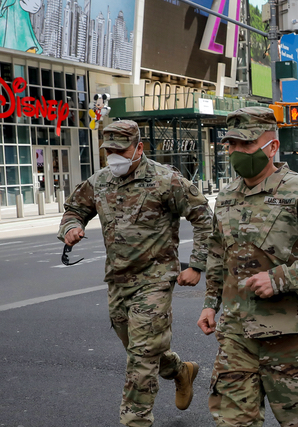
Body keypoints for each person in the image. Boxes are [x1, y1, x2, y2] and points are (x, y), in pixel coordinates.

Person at [197, 107, 298, 427]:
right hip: (236, 337)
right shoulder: (225, 198)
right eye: (232, 145)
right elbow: (217, 254)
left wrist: (280, 278)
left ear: (272, 146)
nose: (237, 152)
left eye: (247, 145)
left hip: (291, 338)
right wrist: (210, 304)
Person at [58, 120, 212, 427]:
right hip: (118, 281)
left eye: (121, 149)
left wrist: (196, 265)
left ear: (139, 148)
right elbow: (74, 209)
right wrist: (72, 227)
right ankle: (181, 371)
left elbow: (204, 217)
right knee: (142, 347)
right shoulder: (100, 181)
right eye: (109, 150)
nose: (114, 156)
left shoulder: (166, 180)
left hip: (155, 280)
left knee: (141, 357)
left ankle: (135, 421)